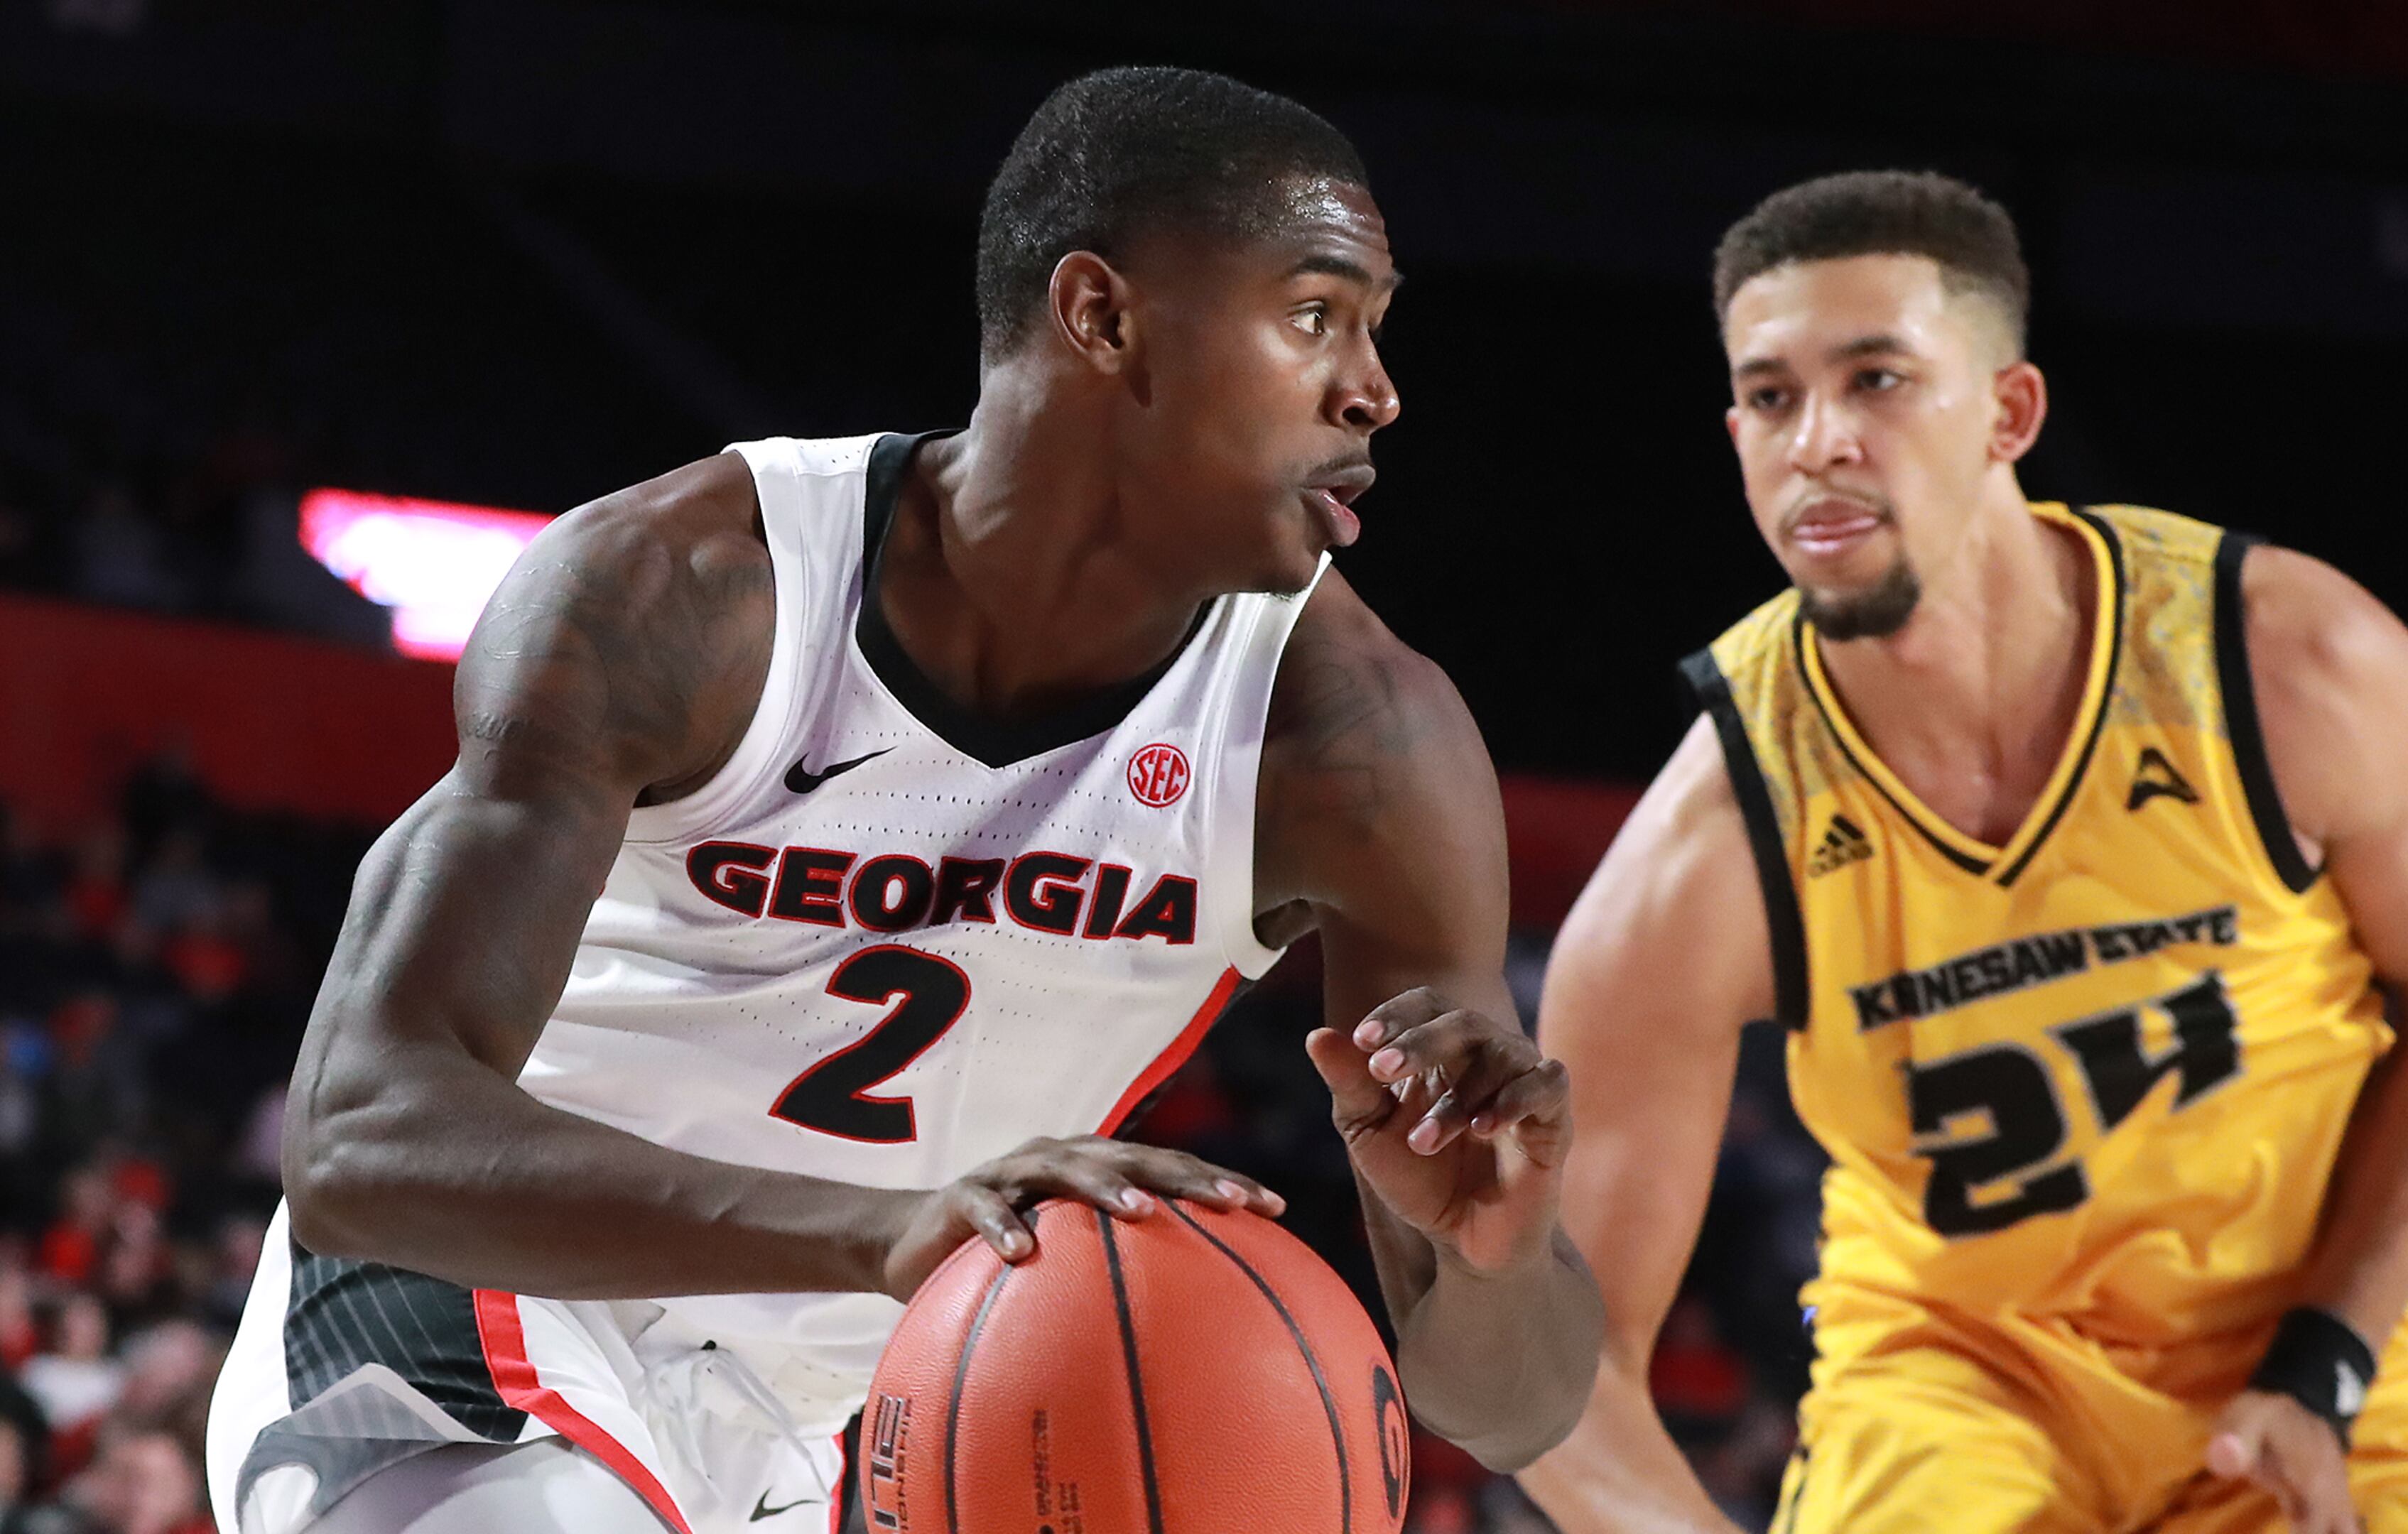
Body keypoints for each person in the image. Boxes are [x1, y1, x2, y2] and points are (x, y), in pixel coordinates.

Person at [205, 66, 1601, 1534]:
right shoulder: (688, 589)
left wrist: (1497, 1258)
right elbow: (363, 1139)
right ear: (1104, 316)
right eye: (1319, 314)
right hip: (473, 1319)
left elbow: (1505, 1409)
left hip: (829, 1424)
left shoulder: (1358, 743)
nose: (1375, 387)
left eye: (1375, 329)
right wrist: (884, 1233)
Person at [1517, 170, 2408, 1534]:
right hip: (1953, 1392)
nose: (1816, 439)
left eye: (1876, 380)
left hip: (2295, 1366)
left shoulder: (2286, 665)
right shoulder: (1714, 835)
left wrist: (2328, 1358)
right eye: (1770, 397)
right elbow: (1554, 1360)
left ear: (2010, 414)